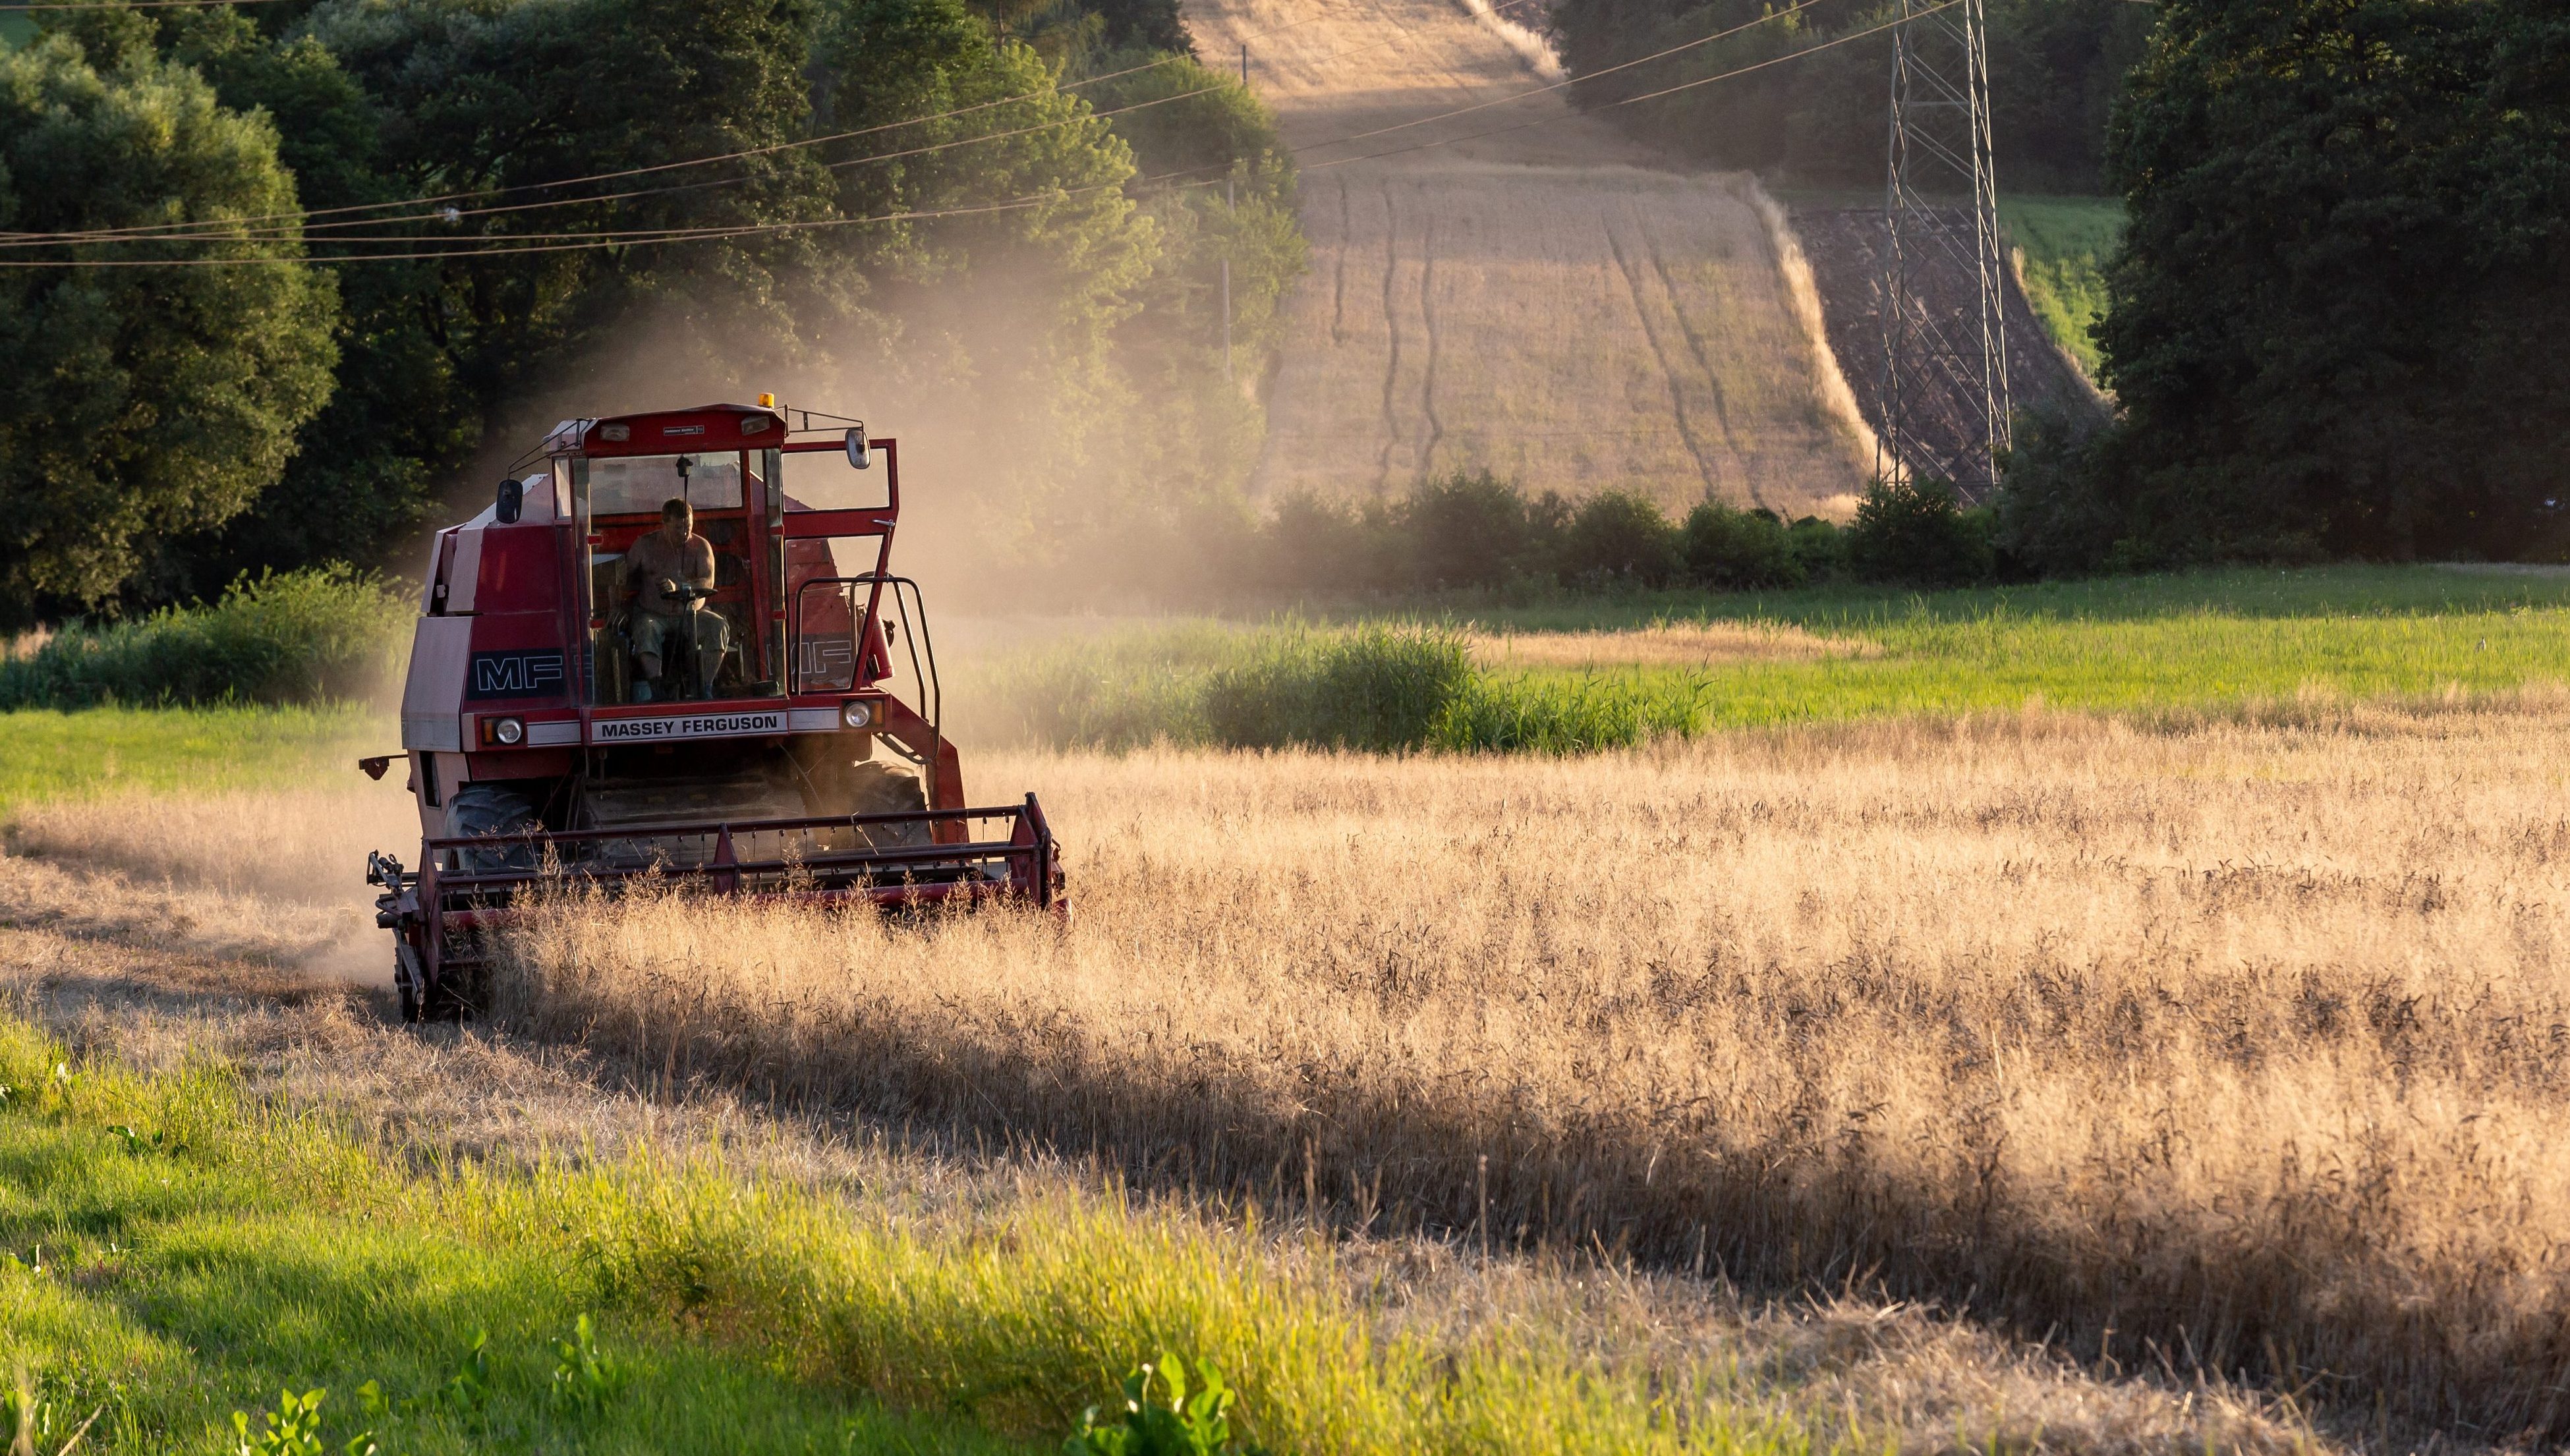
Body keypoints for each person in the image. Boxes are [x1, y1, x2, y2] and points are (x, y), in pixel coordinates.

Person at [622, 497, 721, 700]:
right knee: (645, 628)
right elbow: (620, 577)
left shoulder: (701, 547)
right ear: (664, 523)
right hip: (653, 614)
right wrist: (618, 606)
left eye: (688, 528)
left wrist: (681, 587)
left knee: (718, 626)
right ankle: (657, 689)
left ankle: (705, 687)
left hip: (692, 614)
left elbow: (708, 582)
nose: (685, 533)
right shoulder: (644, 545)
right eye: (678, 528)